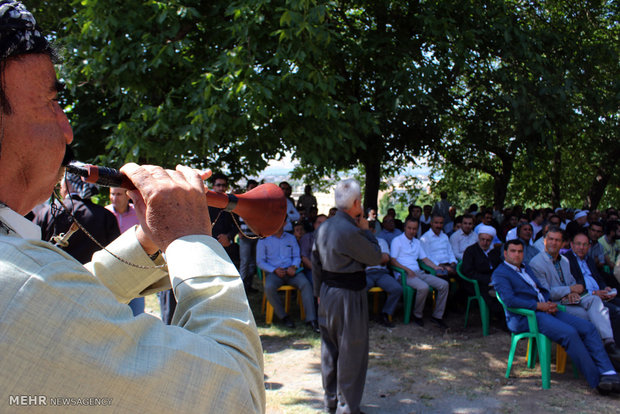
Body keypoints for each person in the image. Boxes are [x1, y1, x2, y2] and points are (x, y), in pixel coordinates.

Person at [0, 2, 264, 411]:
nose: (67, 129)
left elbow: (57, 303)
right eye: (50, 103)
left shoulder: (21, 284)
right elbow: (236, 393)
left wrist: (147, 240)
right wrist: (191, 240)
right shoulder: (19, 290)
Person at [492, 240, 620, 394]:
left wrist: (549, 303)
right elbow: (509, 300)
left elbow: (541, 289)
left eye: (520, 251)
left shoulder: (526, 269)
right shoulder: (501, 273)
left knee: (588, 328)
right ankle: (597, 381)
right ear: (505, 253)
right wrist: (539, 306)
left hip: (546, 309)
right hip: (525, 317)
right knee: (570, 333)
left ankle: (608, 373)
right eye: (513, 251)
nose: (517, 255)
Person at [312, 179, 382, 414]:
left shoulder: (323, 227)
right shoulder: (351, 231)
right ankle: (347, 408)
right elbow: (375, 256)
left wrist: (318, 293)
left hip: (327, 294)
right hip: (348, 297)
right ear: (355, 203)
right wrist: (367, 231)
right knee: (352, 353)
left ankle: (331, 402)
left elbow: (315, 263)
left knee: (330, 350)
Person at [529, 227, 620, 364]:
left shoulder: (564, 261)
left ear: (562, 243)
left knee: (595, 302)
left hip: (571, 299)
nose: (554, 243)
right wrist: (569, 290)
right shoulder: (536, 263)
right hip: (554, 304)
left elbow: (572, 283)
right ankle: (602, 360)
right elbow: (546, 291)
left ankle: (609, 343)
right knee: (596, 315)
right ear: (545, 241)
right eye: (551, 239)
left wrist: (572, 292)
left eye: (557, 240)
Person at [257, 221, 318, 331]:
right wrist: (274, 270)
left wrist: (294, 266)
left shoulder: (291, 238)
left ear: (284, 223)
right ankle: (284, 316)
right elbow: (260, 261)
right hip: (274, 272)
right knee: (269, 287)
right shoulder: (264, 239)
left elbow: (297, 256)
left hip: (291, 272)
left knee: (305, 284)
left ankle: (311, 319)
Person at [390, 217, 449, 328]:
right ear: (405, 227)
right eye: (409, 228)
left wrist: (436, 267)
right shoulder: (397, 241)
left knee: (444, 285)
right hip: (404, 274)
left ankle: (437, 316)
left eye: (414, 229)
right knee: (423, 287)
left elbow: (424, 259)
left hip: (418, 272)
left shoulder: (417, 242)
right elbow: (392, 261)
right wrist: (407, 270)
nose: (412, 231)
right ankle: (417, 315)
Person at [567, 232, 620, 344]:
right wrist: (594, 293)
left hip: (600, 294)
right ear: (572, 245)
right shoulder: (567, 260)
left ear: (589, 247)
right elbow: (573, 284)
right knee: (615, 311)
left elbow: (598, 278)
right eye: (578, 244)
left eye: (585, 244)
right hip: (587, 298)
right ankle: (614, 349)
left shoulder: (589, 259)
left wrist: (605, 288)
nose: (581, 247)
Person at [106, 186, 144, 315]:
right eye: (112, 194)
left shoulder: (138, 213)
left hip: (134, 270)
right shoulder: (105, 214)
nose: (114, 198)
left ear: (128, 195)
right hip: (111, 270)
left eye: (119, 194)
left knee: (136, 313)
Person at [461, 225, 503, 317]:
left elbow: (499, 266)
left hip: (494, 281)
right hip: (476, 283)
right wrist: (488, 279)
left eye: (488, 240)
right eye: (482, 239)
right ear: (478, 238)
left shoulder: (494, 251)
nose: (485, 243)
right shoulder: (470, 251)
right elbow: (468, 272)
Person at [366, 228, 403, 328]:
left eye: (369, 230)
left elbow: (385, 258)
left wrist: (367, 260)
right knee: (359, 288)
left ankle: (385, 314)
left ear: (373, 231)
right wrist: (377, 258)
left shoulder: (381, 241)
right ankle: (362, 316)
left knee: (397, 288)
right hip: (365, 273)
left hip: (381, 272)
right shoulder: (359, 242)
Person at [238, 179, 259, 293]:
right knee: (245, 261)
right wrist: (238, 231)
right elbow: (235, 218)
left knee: (252, 262)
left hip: (255, 236)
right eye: (251, 187)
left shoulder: (259, 203)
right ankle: (241, 288)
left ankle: (248, 285)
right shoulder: (241, 201)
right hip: (245, 236)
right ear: (247, 189)